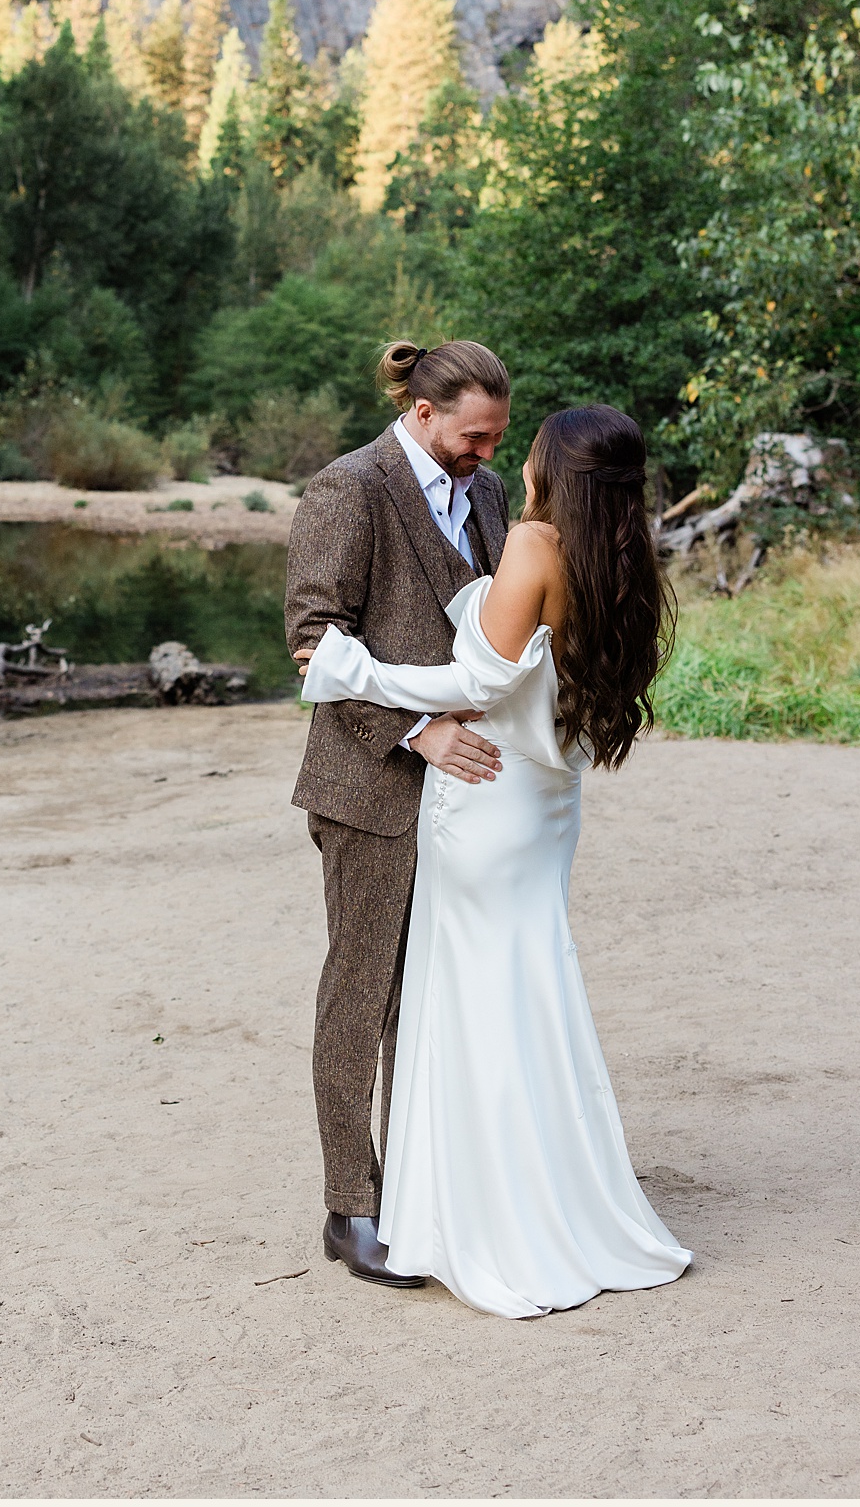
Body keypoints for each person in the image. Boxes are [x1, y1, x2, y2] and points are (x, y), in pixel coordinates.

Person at [297, 402, 691, 1317]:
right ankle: (531, 1193)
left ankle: (487, 1211)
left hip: (486, 805)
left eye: (527, 447)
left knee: (472, 1005)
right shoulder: (619, 556)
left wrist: (353, 672)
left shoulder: (532, 541)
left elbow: (477, 682)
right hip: (544, 807)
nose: (506, 459)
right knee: (525, 993)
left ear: (559, 469)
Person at [285, 339, 513, 1289]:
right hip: (369, 788)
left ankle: (424, 1184)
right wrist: (417, 730)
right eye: (471, 435)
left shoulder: (492, 494)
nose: (485, 453)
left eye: (497, 437)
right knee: (364, 993)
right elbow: (311, 641)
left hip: (472, 801)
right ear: (423, 412)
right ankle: (352, 1206)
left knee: (436, 1001)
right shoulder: (350, 487)